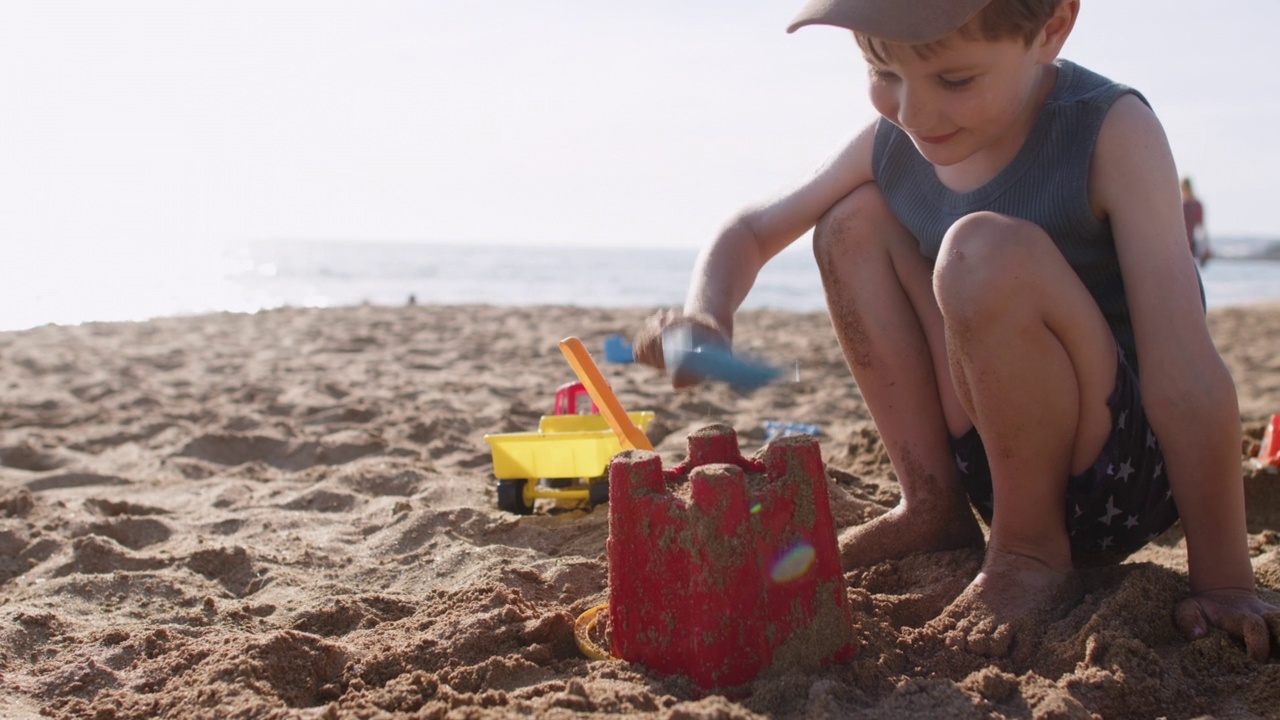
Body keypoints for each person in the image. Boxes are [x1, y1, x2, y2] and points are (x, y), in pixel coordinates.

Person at [632, 0, 1280, 660]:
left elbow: (1185, 371)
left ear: (1050, 28)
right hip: (993, 455)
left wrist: (1225, 578)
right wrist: (706, 317)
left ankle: (1032, 550)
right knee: (849, 221)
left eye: (955, 81)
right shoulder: (898, 142)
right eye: (882, 70)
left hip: (1117, 471)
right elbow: (751, 229)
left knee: (978, 251)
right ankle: (933, 506)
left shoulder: (1111, 131)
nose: (913, 113)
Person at [1182, 176, 1211, 266]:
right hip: (1189, 241)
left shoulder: (1183, 204)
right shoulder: (1196, 204)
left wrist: (1205, 246)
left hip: (1185, 241)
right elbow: (1201, 227)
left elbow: (1201, 227)